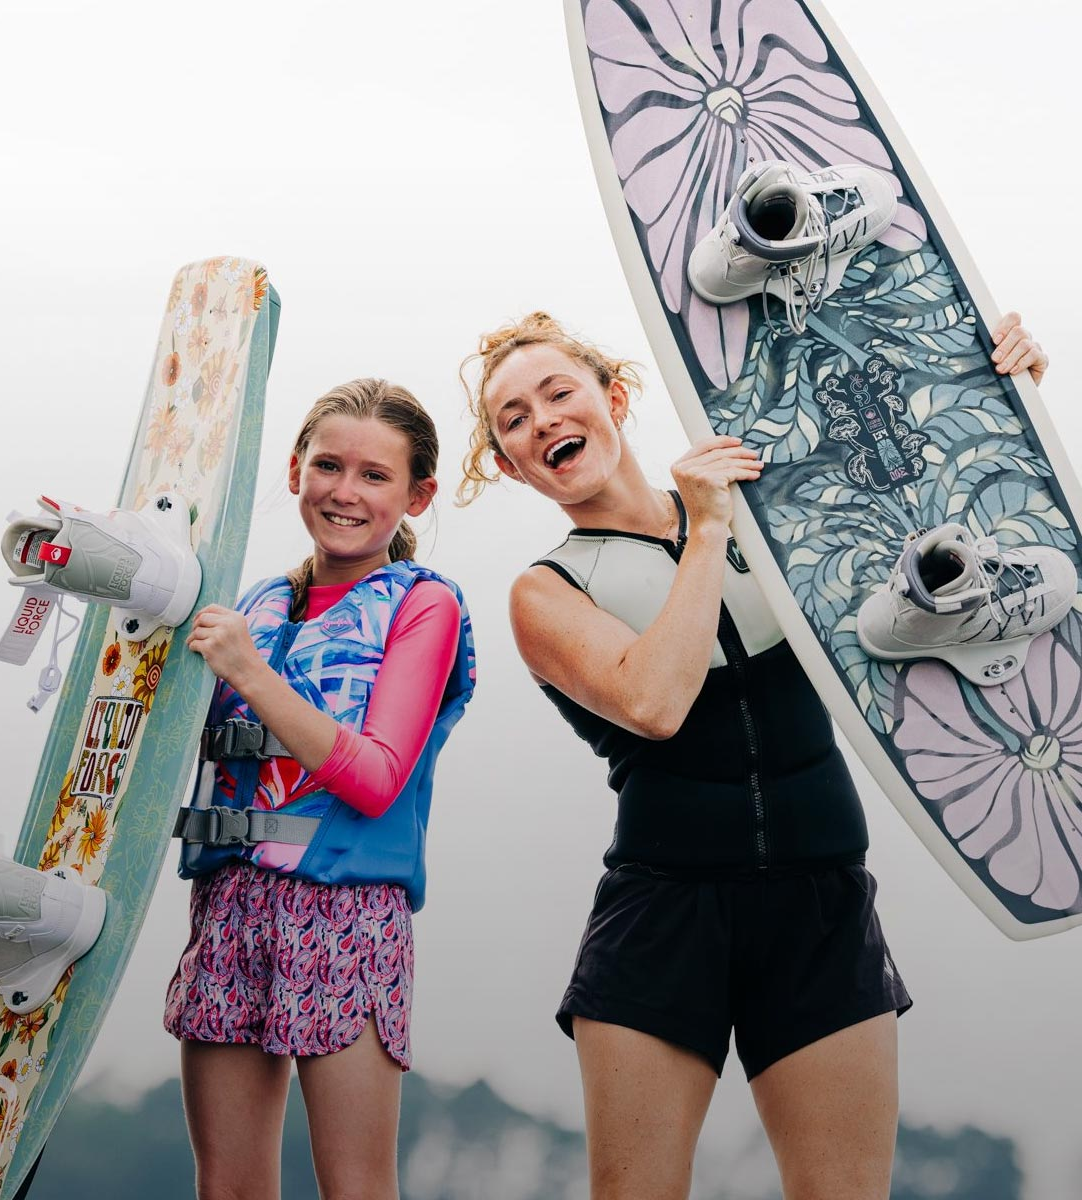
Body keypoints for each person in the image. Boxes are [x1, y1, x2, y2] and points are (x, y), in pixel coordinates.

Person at [457, 311, 1045, 1199]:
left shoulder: (770, 515)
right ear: (509, 464)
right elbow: (654, 704)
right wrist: (704, 530)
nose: (541, 420)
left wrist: (1002, 386)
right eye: (513, 419)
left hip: (821, 902)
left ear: (614, 398)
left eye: (558, 392)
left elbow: (936, 524)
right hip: (664, 916)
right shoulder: (546, 592)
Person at [164, 378, 475, 1200]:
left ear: (417, 496)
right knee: (228, 1187)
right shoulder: (257, 604)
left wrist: (247, 670)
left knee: (355, 1187)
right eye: (329, 466)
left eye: (375, 476)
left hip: (346, 913)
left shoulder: (424, 606)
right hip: (230, 905)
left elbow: (375, 779)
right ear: (296, 469)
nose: (345, 491)